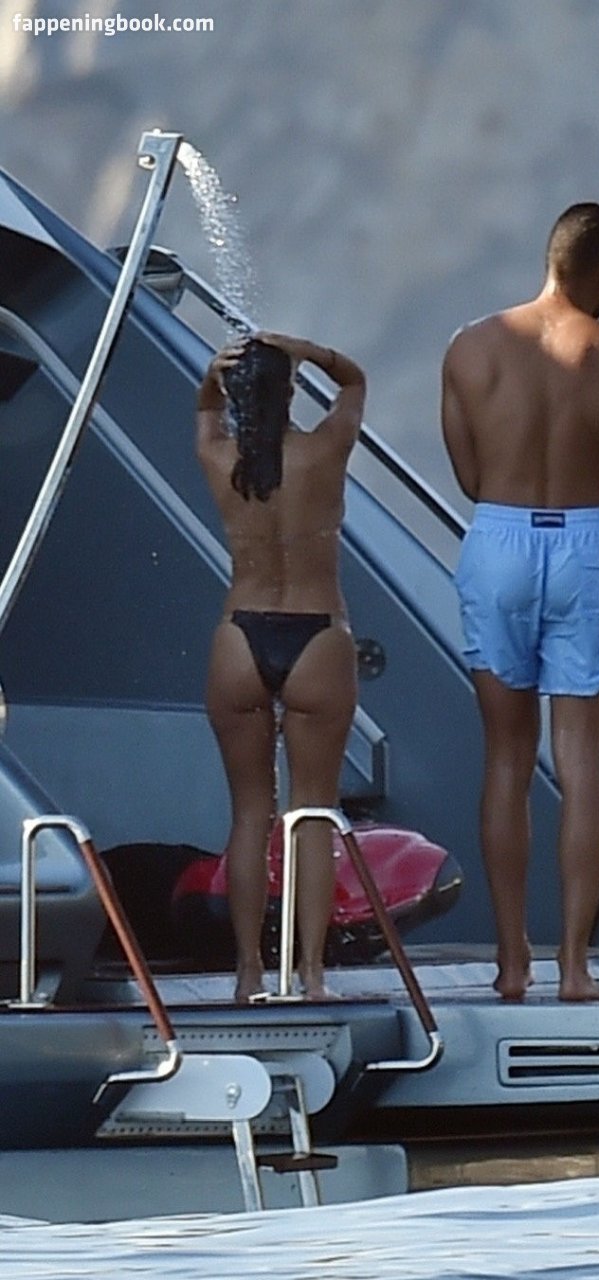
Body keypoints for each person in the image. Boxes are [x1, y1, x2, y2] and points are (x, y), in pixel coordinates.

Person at [441, 202, 599, 1002]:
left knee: (506, 759)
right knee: (581, 761)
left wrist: (535, 451)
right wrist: (588, 452)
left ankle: (513, 963)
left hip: (499, 540)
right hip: (585, 545)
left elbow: (474, 478)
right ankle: (575, 969)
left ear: (551, 261)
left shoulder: (471, 347)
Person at [196, 331, 365, 1002]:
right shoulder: (324, 451)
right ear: (291, 390)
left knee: (249, 815)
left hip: (240, 634)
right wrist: (310, 350)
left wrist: (212, 377)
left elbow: (205, 412)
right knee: (312, 813)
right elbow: (355, 382)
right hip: (316, 633)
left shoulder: (218, 458)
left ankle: (248, 973)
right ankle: (312, 974)